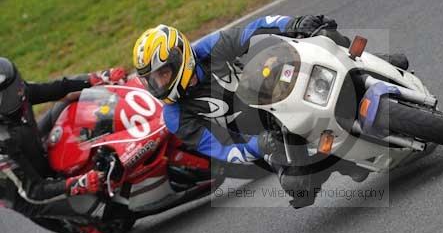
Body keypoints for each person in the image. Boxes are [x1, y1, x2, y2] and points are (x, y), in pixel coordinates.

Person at [132, 15, 406, 208]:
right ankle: (346, 160)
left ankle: (372, 63)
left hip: (279, 84)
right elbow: (220, 150)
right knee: (300, 186)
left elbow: (258, 27)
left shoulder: (209, 48)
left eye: (163, 73)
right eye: (152, 79)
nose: (159, 84)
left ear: (181, 57)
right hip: (267, 134)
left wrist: (294, 24)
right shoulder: (174, 116)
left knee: (322, 32)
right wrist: (257, 146)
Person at [0, 57, 125, 219]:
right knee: (100, 214)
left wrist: (97, 77)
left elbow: (59, 87)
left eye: (14, 87)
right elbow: (34, 191)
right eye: (6, 96)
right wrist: (77, 184)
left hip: (33, 142)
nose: (15, 96)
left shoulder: (19, 92)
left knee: (66, 104)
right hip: (25, 192)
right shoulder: (3, 141)